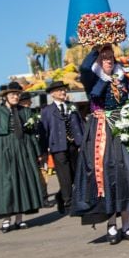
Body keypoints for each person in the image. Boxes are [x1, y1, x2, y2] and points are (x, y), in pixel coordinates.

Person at [72, 44, 129, 245]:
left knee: (128, 172)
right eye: (104, 59)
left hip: (123, 127)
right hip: (102, 130)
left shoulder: (121, 79)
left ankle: (127, 225)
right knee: (108, 174)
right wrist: (96, 49)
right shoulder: (93, 77)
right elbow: (85, 68)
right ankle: (111, 225)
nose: (108, 62)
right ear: (98, 62)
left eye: (110, 59)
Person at [0, 83, 46, 232]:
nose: (15, 97)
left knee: (22, 183)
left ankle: (19, 219)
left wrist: (38, 153)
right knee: (6, 184)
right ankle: (6, 219)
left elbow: (31, 134)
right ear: (5, 97)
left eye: (17, 94)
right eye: (12, 95)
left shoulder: (26, 112)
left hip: (22, 149)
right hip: (2, 150)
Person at [39, 81, 82, 213]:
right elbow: (43, 132)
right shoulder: (47, 111)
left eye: (64, 90)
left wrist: (84, 142)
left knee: (76, 174)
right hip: (58, 147)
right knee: (65, 177)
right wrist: (43, 152)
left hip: (74, 145)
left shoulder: (72, 106)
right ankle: (68, 203)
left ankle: (60, 196)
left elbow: (80, 124)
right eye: (59, 91)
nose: (63, 92)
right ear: (52, 94)